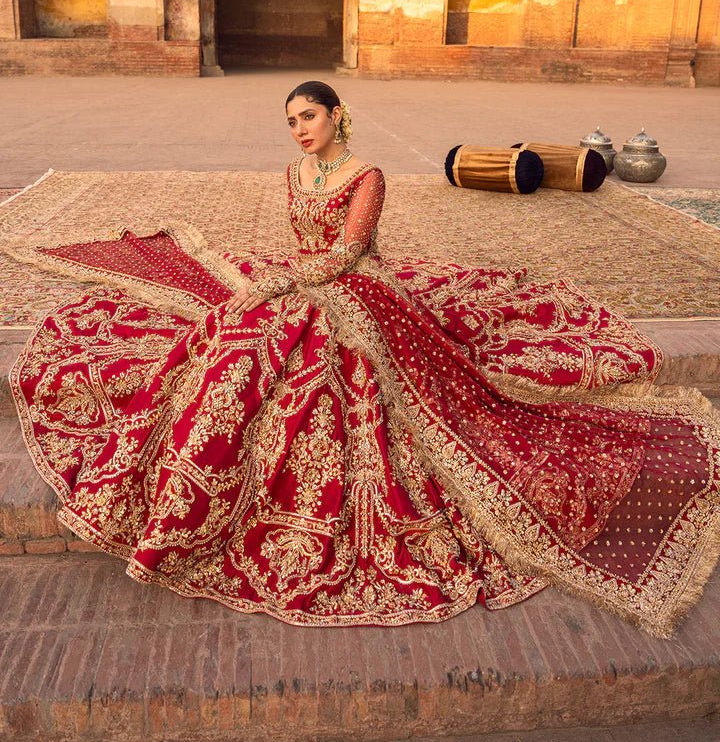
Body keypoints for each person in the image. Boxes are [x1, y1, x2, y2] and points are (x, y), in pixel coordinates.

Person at [10, 80, 719, 637]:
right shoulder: (294, 175)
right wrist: (282, 280)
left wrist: (286, 281)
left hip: (358, 288)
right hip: (301, 280)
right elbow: (302, 245)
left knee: (305, 354)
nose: (300, 129)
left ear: (337, 116)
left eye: (309, 117)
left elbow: (348, 252)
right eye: (291, 120)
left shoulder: (367, 175)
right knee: (229, 347)